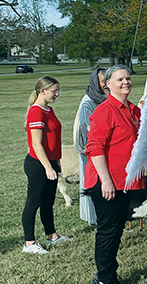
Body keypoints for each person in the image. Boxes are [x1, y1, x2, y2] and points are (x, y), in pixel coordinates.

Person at [85, 64, 145, 284]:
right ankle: (103, 280)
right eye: (120, 79)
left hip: (126, 181)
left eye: (128, 78)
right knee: (108, 230)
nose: (125, 82)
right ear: (107, 84)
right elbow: (95, 147)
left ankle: (110, 274)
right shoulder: (105, 110)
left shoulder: (133, 110)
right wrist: (106, 181)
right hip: (106, 182)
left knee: (117, 228)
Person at [22, 76, 69, 255]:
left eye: (58, 91)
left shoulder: (48, 109)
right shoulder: (36, 111)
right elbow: (36, 144)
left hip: (50, 163)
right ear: (43, 91)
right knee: (33, 202)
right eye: (54, 91)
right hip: (38, 164)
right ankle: (29, 243)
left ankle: (52, 236)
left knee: (48, 202)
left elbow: (53, 139)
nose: (57, 94)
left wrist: (56, 162)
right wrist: (47, 167)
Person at [74, 68, 106, 226]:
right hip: (91, 151)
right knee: (91, 184)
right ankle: (92, 218)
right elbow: (87, 130)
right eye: (102, 81)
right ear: (95, 82)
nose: (105, 84)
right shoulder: (88, 103)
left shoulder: (104, 98)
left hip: (104, 150)